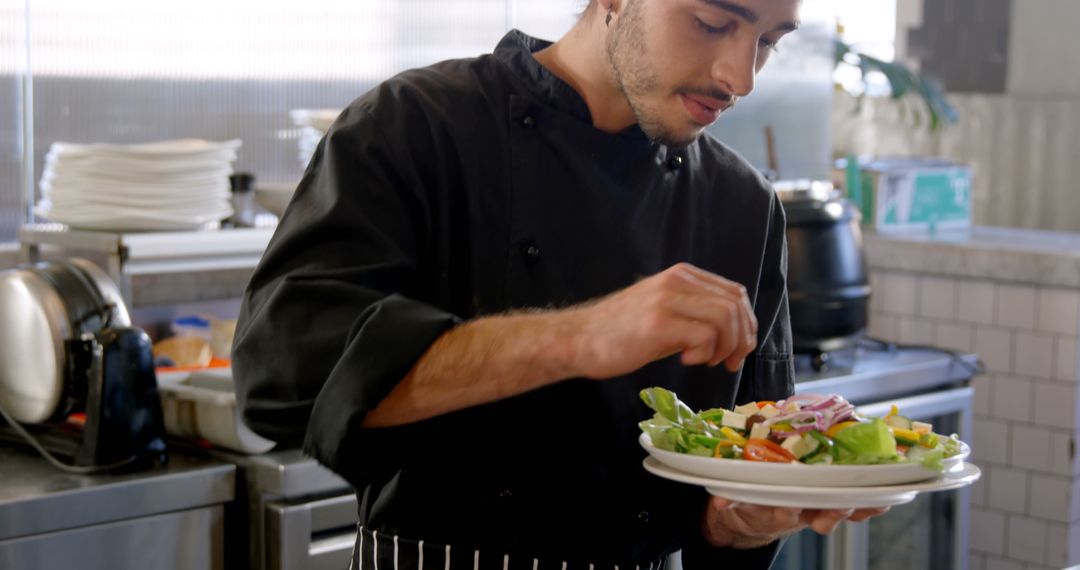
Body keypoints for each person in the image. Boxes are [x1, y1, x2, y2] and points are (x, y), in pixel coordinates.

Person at [233, 1, 883, 569]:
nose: (739, 77)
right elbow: (285, 383)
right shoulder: (414, 126)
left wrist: (736, 522)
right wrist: (579, 336)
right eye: (713, 22)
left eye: (769, 41)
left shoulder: (742, 204)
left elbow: (732, 480)